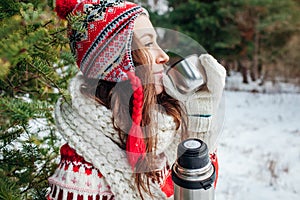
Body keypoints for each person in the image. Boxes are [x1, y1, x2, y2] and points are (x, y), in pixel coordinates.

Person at [48, 0, 226, 200]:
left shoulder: (164, 130)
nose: (164, 56)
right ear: (115, 61)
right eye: (149, 43)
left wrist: (200, 122)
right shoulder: (81, 177)